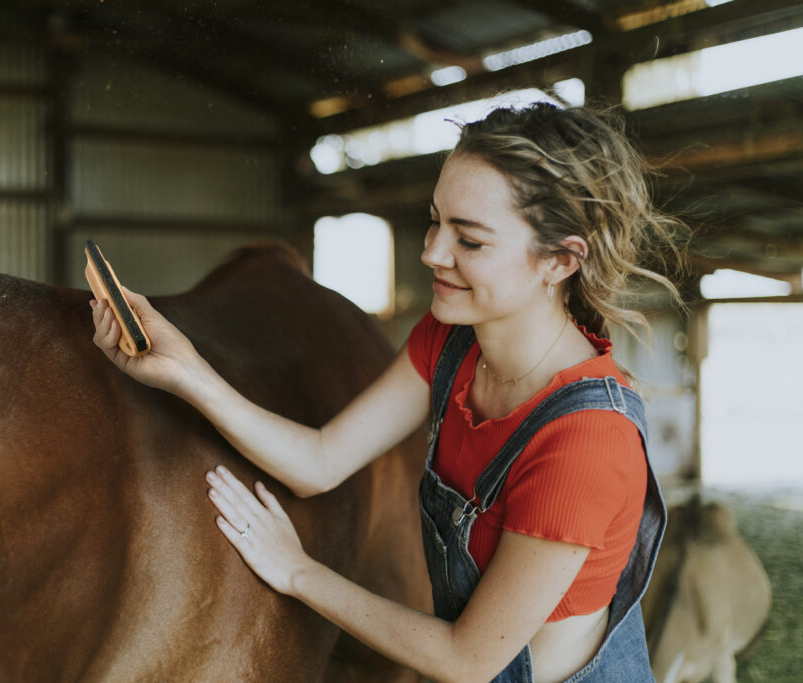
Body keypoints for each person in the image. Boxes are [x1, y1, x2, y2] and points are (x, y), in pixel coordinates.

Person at [89, 101, 687, 683]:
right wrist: (186, 371)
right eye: (435, 220)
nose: (432, 252)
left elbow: (466, 660)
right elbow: (319, 461)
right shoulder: (451, 344)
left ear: (560, 260)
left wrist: (298, 573)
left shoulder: (585, 441)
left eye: (469, 240)